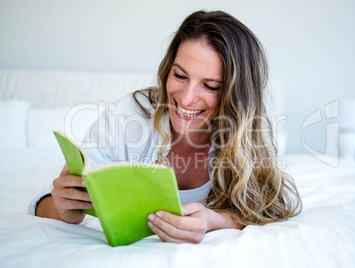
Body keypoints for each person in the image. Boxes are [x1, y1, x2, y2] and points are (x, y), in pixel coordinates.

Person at [30, 10, 302, 244]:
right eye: (180, 75)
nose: (185, 98)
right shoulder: (127, 118)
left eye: (210, 86)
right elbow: (45, 201)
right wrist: (65, 210)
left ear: (235, 95)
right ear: (167, 70)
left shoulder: (249, 132)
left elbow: (269, 207)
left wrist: (214, 220)